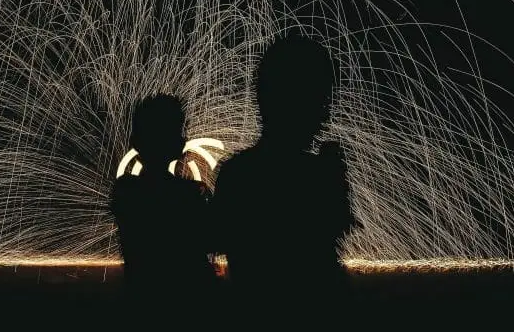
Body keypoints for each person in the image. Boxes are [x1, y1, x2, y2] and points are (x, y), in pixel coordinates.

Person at [212, 35, 354, 317]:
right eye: (321, 99)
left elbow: (221, 241)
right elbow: (332, 233)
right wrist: (334, 180)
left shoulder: (235, 174)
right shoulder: (317, 176)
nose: (326, 112)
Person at [110, 94, 217, 310]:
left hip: (142, 299)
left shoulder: (126, 190)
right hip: (188, 301)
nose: (184, 139)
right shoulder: (186, 195)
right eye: (178, 131)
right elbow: (212, 240)